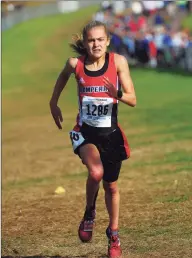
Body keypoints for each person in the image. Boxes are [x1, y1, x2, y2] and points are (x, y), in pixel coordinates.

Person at [49, 20, 136, 258]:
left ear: (107, 41)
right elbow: (62, 76)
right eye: (91, 40)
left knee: (111, 186)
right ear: (85, 43)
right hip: (85, 132)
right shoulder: (75, 64)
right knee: (95, 172)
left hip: (111, 134)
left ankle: (114, 235)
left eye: (100, 39)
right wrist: (53, 102)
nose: (96, 44)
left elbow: (132, 98)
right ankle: (89, 213)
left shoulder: (117, 62)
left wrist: (115, 93)